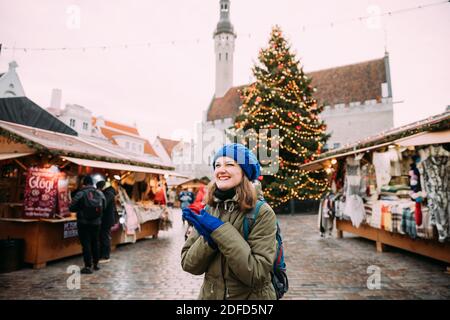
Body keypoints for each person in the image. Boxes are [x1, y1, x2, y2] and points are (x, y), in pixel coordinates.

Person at [181, 143, 277, 299]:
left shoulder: (262, 213)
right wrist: (209, 242)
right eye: (217, 165)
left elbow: (256, 273)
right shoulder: (209, 209)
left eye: (230, 164)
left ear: (245, 172)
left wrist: (219, 231)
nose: (221, 170)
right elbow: (188, 264)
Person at [69, 175, 106, 274]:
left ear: (84, 183)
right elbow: (104, 206)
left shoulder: (80, 193)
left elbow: (71, 207)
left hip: (83, 222)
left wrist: (81, 209)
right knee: (95, 242)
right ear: (92, 183)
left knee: (86, 244)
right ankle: (96, 264)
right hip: (96, 223)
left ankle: (88, 266)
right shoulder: (99, 193)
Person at [96, 180, 117, 264]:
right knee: (103, 236)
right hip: (106, 219)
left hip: (106, 219)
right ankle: (102, 254)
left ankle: (105, 256)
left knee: (104, 237)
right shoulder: (109, 192)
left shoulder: (108, 193)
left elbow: (103, 204)